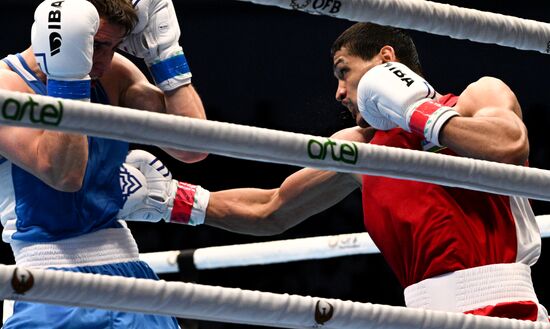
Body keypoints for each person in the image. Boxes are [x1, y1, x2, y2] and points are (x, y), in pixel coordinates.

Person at [121, 22, 548, 322]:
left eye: (345, 72)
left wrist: (416, 111)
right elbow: (272, 209)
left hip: (508, 309)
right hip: (423, 316)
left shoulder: (476, 97)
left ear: (385, 61)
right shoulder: (363, 150)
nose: (339, 92)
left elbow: (509, 146)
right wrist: (174, 199)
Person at [0, 0, 207, 327]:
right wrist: (68, 75)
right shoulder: (6, 86)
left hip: (130, 272)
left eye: (112, 46)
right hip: (49, 278)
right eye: (94, 45)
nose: (101, 61)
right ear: (54, 35)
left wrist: (165, 55)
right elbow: (65, 175)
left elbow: (192, 148)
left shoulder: (114, 73)